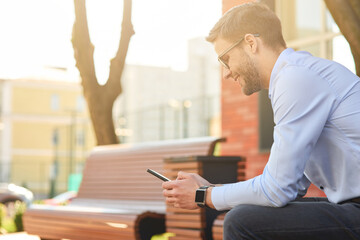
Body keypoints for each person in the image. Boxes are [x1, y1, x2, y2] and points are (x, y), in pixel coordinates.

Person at [162, 2, 360, 240]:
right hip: (350, 207)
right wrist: (210, 190)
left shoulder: (295, 79)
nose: (225, 72)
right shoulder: (296, 76)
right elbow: (289, 187)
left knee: (242, 221)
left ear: (251, 43)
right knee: (249, 214)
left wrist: (203, 194)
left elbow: (276, 189)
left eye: (226, 59)